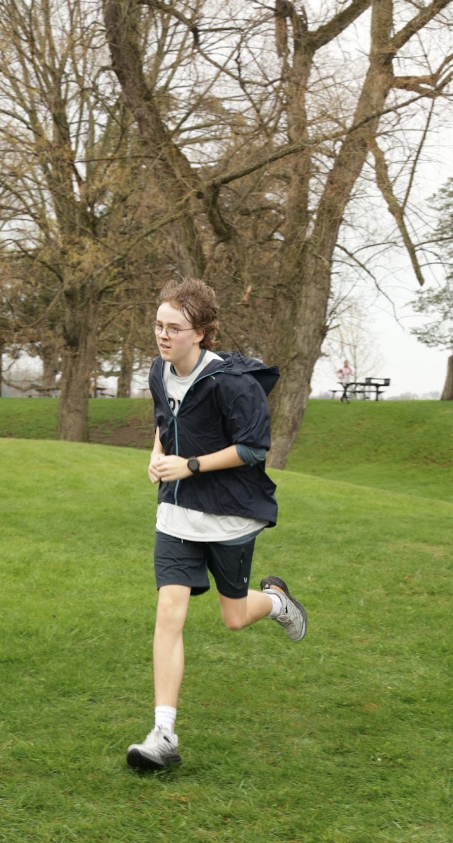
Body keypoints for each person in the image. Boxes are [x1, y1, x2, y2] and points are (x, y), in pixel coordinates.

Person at [126, 277, 307, 772]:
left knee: (233, 615)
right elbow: (166, 421)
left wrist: (191, 465)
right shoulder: (158, 371)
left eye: (175, 328)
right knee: (169, 610)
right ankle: (163, 733)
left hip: (228, 514)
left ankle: (275, 601)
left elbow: (252, 448)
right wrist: (157, 454)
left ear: (201, 333)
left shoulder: (234, 383)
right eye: (159, 326)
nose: (163, 336)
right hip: (176, 513)